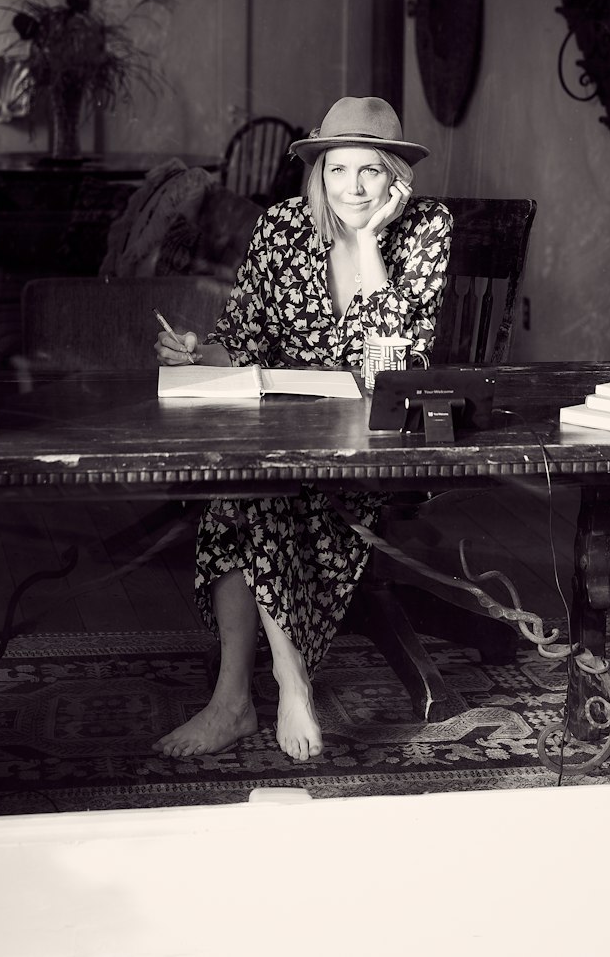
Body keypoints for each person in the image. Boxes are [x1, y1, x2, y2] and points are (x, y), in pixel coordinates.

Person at [153, 96, 451, 763]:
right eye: (338, 170)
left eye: (370, 171)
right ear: (318, 173)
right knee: (247, 486)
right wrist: (199, 354)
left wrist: (368, 242)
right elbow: (243, 338)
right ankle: (275, 685)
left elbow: (392, 370)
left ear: (396, 179)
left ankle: (247, 695)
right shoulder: (283, 227)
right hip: (282, 428)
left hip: (375, 442)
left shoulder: (427, 227)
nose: (351, 187)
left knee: (248, 495)